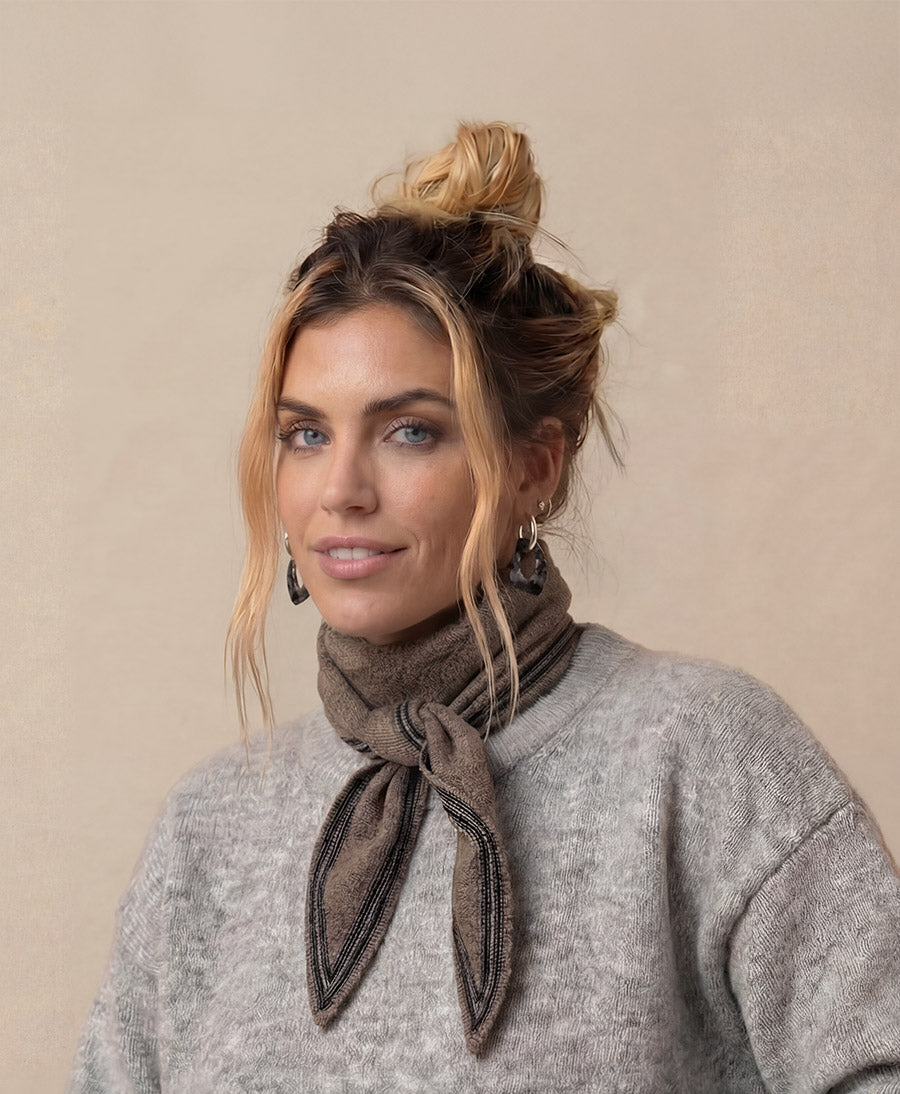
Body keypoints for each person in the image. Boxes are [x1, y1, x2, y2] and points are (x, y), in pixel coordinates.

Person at [70, 122, 900, 1093]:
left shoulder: (703, 753)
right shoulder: (211, 825)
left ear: (533, 468)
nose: (340, 489)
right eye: (306, 435)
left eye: (410, 431)